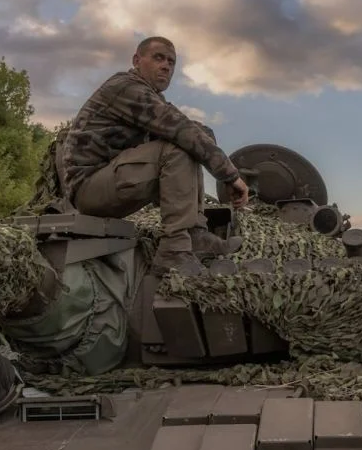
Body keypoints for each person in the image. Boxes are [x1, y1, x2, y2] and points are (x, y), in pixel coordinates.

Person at [59, 36, 249, 275]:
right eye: (158, 58)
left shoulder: (151, 97)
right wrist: (230, 176)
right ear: (137, 60)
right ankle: (173, 250)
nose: (166, 66)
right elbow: (179, 129)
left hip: (116, 181)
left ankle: (195, 235)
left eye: (171, 62)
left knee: (201, 133)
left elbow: (189, 130)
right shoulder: (124, 87)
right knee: (180, 144)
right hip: (90, 188)